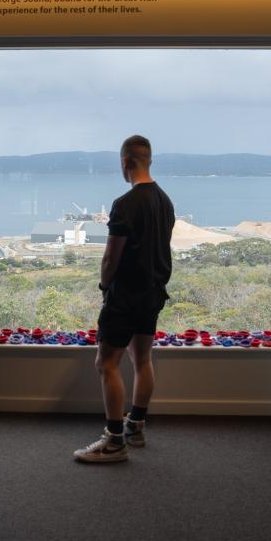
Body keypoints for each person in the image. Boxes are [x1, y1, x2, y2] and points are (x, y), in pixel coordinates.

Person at [74, 135, 175, 463]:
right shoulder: (165, 201)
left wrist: (105, 286)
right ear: (149, 160)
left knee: (106, 363)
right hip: (153, 293)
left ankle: (114, 440)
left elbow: (110, 257)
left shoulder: (125, 204)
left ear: (126, 162)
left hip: (126, 295)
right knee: (142, 360)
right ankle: (136, 426)